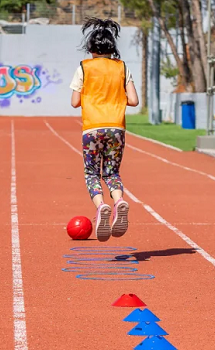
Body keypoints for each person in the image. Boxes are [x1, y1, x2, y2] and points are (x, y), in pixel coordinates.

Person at [69, 17, 140, 242]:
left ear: (90, 49)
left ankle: (101, 207)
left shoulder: (84, 66)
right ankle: (119, 201)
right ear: (112, 48)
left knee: (92, 173)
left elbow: (74, 101)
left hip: (92, 128)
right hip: (116, 128)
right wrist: (116, 98)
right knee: (112, 172)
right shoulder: (122, 67)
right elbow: (134, 101)